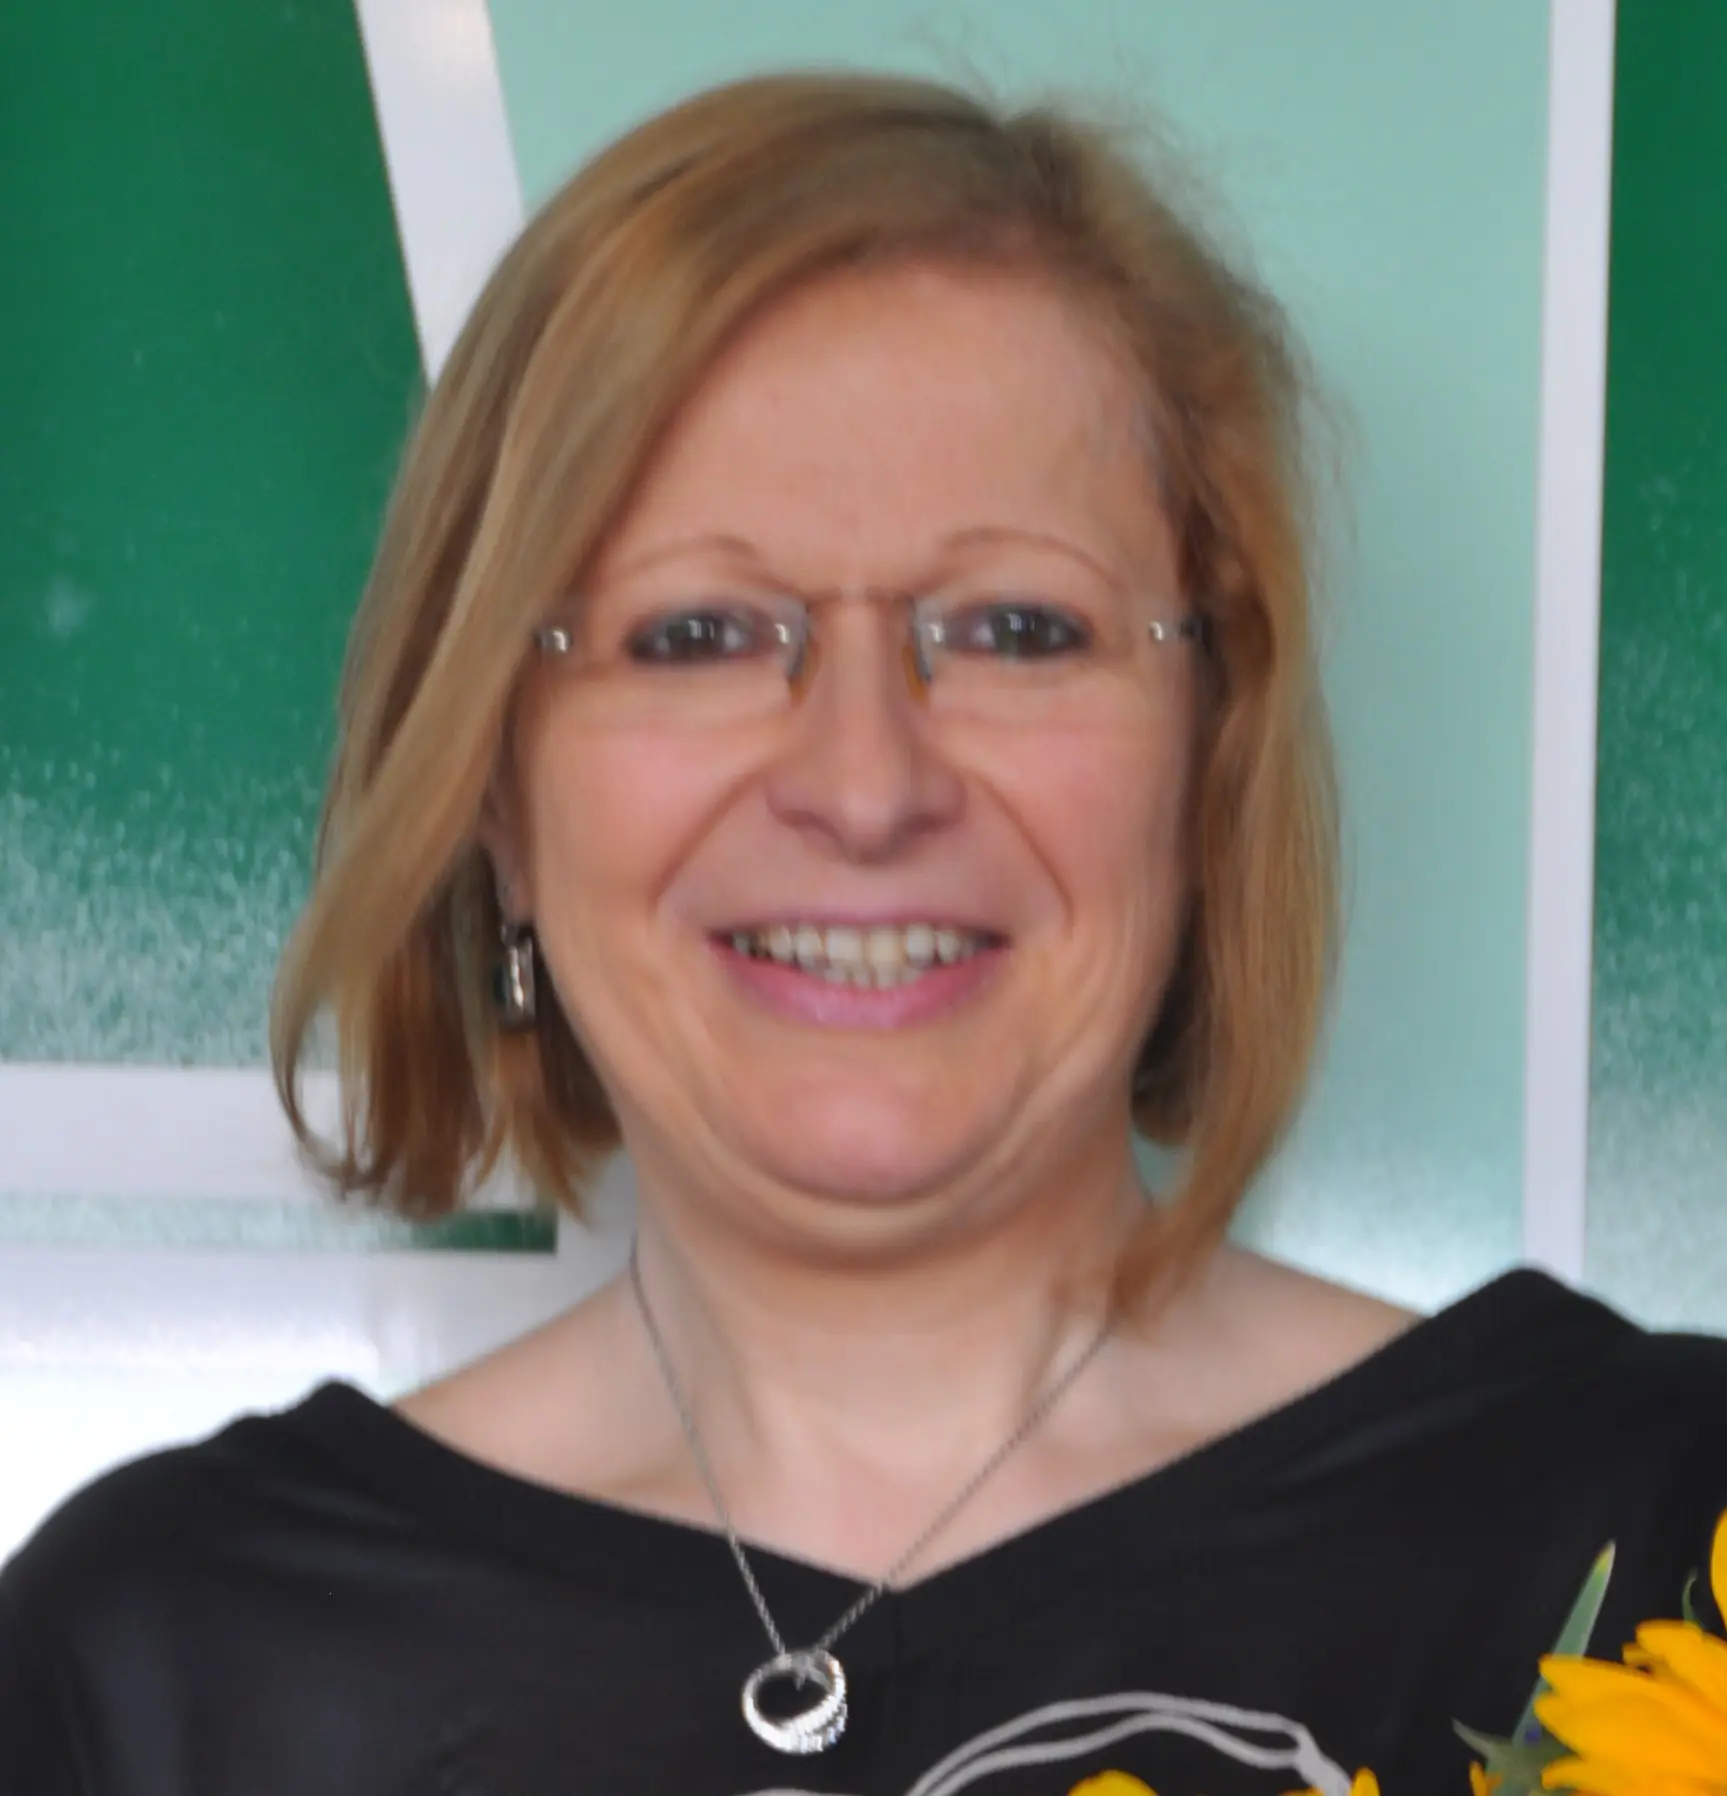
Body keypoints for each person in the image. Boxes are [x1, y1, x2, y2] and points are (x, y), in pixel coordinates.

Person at [2, 70, 1723, 1796]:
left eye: (1015, 628)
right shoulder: (153, 1678)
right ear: (495, 797)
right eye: (694, 635)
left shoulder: (1663, 1537)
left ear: (1207, 754)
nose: (864, 783)